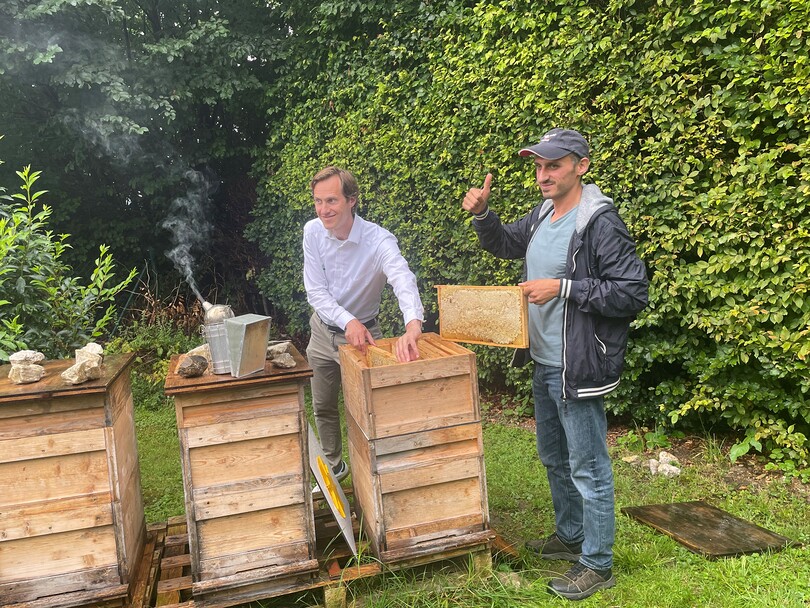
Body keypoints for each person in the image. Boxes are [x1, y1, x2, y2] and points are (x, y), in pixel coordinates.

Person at [462, 129, 648, 601]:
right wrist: (484, 215)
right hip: (544, 359)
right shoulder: (544, 213)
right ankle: (570, 537)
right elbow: (506, 244)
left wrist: (563, 288)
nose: (543, 175)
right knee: (554, 457)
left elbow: (631, 292)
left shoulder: (599, 222)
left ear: (581, 166)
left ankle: (598, 563)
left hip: (578, 363)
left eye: (554, 165)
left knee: (588, 467)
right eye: (539, 167)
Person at [303, 166, 424, 481]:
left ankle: (375, 474)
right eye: (318, 201)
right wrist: (347, 320)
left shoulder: (378, 240)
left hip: (364, 337)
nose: (323, 210)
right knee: (323, 405)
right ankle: (334, 467)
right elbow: (316, 291)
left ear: (352, 200)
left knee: (370, 412)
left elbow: (402, 278)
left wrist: (413, 325)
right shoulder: (312, 231)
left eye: (331, 201)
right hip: (322, 334)